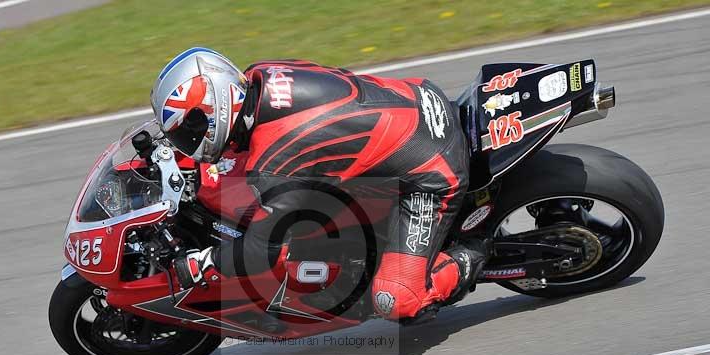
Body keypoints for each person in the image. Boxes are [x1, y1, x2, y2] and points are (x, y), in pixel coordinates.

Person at [151, 47, 487, 323]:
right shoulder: (261, 73)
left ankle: (475, 252)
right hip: (417, 98)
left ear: (218, 111)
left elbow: (260, 251)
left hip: (431, 170)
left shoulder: (276, 157)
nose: (187, 141)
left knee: (394, 301)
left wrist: (204, 262)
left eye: (189, 130)